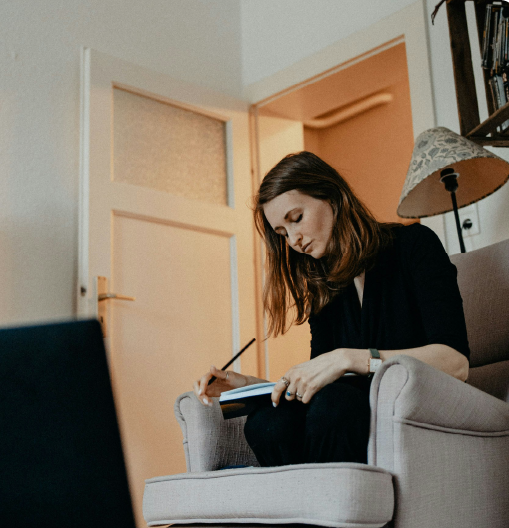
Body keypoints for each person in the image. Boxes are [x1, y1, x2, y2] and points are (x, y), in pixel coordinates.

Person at [193, 151, 470, 467]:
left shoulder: (414, 244)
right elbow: (314, 384)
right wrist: (246, 385)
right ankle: (311, 508)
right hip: (344, 418)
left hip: (410, 405)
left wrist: (350, 358)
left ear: (333, 198)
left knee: (334, 403)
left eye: (296, 218)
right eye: (282, 234)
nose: (294, 240)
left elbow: (456, 362)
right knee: (269, 422)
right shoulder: (325, 287)